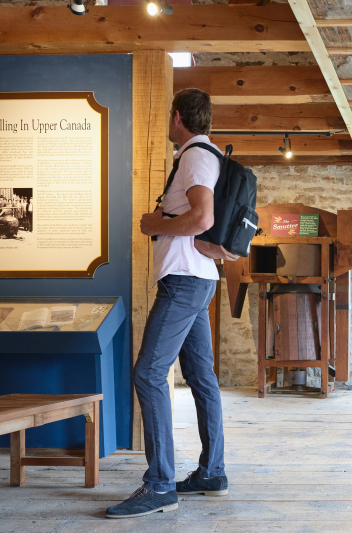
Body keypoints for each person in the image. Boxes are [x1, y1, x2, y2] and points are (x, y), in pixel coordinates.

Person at [106, 88, 228, 519]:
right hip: (198, 279)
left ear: (177, 117)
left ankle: (159, 484)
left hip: (183, 280)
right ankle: (212, 471)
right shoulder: (205, 152)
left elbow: (203, 218)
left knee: (149, 372)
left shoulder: (194, 156)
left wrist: (154, 223)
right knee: (199, 375)